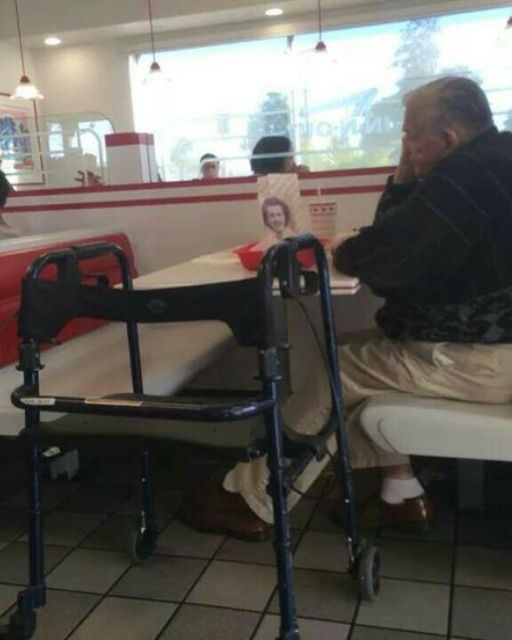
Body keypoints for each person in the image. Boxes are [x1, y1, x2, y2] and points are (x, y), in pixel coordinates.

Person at [181, 76, 512, 539]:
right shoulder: (493, 157)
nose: (405, 144)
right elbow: (395, 239)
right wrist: (403, 178)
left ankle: (253, 500)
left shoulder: (465, 176)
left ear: (448, 138)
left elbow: (381, 259)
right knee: (350, 354)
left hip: (479, 360)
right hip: (485, 349)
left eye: (410, 134)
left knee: (338, 369)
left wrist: (343, 250)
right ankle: (400, 490)